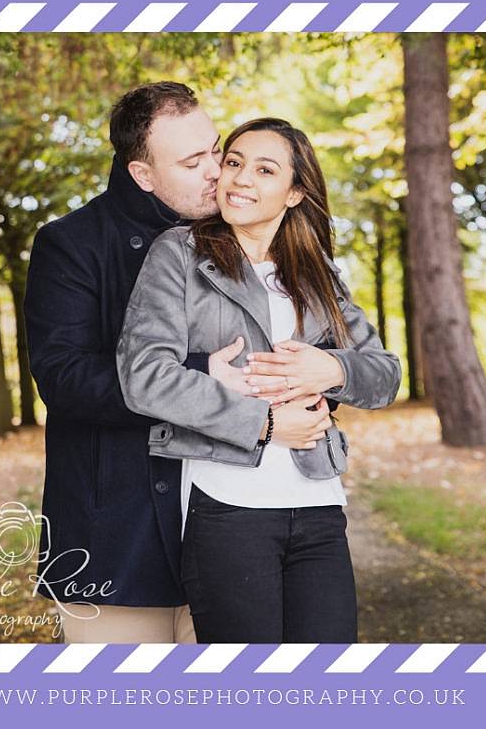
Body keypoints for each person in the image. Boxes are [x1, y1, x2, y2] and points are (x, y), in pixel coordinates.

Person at [24, 86, 333, 643]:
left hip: (229, 521)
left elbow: (298, 339)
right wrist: (197, 373)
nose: (220, 173)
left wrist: (312, 385)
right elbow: (63, 378)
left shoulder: (242, 237)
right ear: (142, 174)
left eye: (217, 150)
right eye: (194, 163)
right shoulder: (70, 244)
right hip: (116, 531)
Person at [117, 117, 401, 643]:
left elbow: (384, 375)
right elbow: (144, 376)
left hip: (318, 502)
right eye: (234, 162)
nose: (241, 178)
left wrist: (332, 368)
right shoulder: (180, 253)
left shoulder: (317, 271)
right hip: (228, 508)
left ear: (295, 193)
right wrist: (266, 423)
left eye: (265, 170)